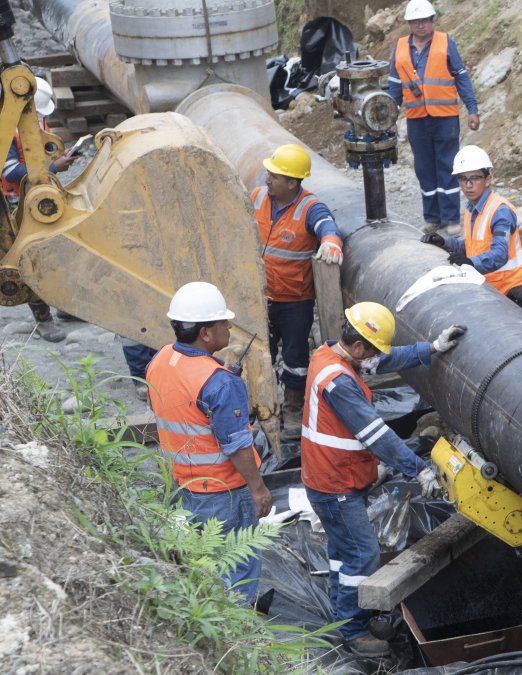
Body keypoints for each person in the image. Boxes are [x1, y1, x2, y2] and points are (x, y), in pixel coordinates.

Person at [301, 301, 465, 656]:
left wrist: (431, 349)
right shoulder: (339, 382)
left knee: (342, 553)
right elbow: (377, 435)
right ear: (358, 347)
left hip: (330, 477)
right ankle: (354, 630)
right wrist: (417, 468)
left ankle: (342, 612)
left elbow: (383, 360)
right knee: (362, 553)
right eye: (372, 351)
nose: (375, 359)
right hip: (336, 483)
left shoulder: (330, 354)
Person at [145, 282, 272, 605]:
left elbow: (182, 411)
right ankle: (239, 639)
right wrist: (257, 488)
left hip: (185, 487)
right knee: (237, 570)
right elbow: (238, 446)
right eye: (222, 323)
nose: (228, 327)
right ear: (204, 333)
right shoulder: (219, 382)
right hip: (224, 492)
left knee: (205, 566)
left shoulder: (160, 360)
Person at [251, 143, 344, 441]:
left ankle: (292, 409)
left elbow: (327, 226)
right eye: (268, 173)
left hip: (294, 301)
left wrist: (331, 242)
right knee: (257, 355)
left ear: (292, 182)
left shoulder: (309, 206)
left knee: (295, 358)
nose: (267, 179)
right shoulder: (257, 198)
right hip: (259, 297)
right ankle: (262, 410)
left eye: (274, 176)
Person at [388, 0, 480, 235]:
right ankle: (432, 218)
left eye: (424, 20)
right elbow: (394, 87)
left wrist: (472, 109)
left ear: (432, 21)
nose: (420, 25)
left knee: (447, 166)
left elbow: (461, 77)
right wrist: (390, 119)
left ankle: (450, 219)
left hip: (445, 117)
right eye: (416, 21)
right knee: (424, 169)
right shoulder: (399, 48)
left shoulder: (445, 42)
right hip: (416, 118)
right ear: (409, 23)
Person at [3, 76, 80, 342]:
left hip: (38, 196)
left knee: (56, 249)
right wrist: (54, 168)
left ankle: (65, 305)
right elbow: (10, 171)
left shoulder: (34, 119)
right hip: (14, 202)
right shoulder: (7, 130)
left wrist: (58, 157)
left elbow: (41, 152)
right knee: (29, 257)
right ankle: (43, 319)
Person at [419, 145, 522, 310]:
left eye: (475, 178)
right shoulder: (471, 209)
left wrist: (471, 263)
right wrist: (443, 242)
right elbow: (471, 247)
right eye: (463, 178)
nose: (468, 185)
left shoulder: (500, 211)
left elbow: (500, 255)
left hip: (509, 290)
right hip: (487, 286)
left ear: (488, 178)